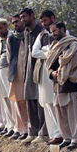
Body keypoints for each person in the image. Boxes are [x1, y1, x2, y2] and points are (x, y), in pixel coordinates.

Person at [46, 21, 77, 150]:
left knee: (72, 113)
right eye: (51, 31)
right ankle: (66, 137)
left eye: (55, 31)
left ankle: (76, 139)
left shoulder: (73, 44)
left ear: (62, 29)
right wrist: (52, 73)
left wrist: (61, 72)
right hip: (57, 84)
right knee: (60, 113)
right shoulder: (55, 46)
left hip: (70, 82)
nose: (53, 34)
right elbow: (48, 64)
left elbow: (73, 63)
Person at [31, 10, 62, 144]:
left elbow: (61, 50)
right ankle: (53, 133)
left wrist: (47, 51)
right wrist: (48, 53)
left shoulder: (62, 33)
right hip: (44, 71)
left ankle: (61, 133)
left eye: (46, 20)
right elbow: (34, 51)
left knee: (56, 102)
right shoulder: (42, 34)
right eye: (42, 21)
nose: (44, 23)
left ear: (52, 18)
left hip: (56, 71)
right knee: (47, 103)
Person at [20, 8, 48, 143]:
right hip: (28, 69)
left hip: (39, 69)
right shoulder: (26, 32)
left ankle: (43, 133)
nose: (23, 20)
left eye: (25, 17)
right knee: (30, 99)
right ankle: (33, 131)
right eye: (21, 17)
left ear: (32, 15)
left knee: (40, 101)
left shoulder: (41, 31)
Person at [0, 18, 17, 138]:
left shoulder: (13, 37)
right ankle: (9, 126)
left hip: (10, 71)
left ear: (6, 27)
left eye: (1, 28)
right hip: (0, 71)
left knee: (12, 99)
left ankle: (17, 127)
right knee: (4, 99)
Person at [6, 14, 30, 139]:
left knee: (29, 102)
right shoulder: (11, 39)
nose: (15, 24)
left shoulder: (28, 36)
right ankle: (23, 129)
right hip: (16, 74)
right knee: (19, 102)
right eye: (13, 22)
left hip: (28, 73)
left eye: (17, 21)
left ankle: (32, 129)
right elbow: (10, 57)